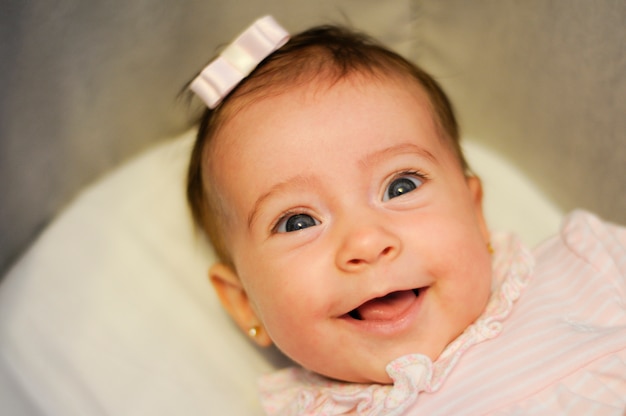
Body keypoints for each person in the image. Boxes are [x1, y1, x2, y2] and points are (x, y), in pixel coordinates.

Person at [186, 16, 626, 415]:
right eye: (298, 222)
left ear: (475, 214)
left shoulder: (587, 269)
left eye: (401, 186)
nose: (366, 242)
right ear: (245, 302)